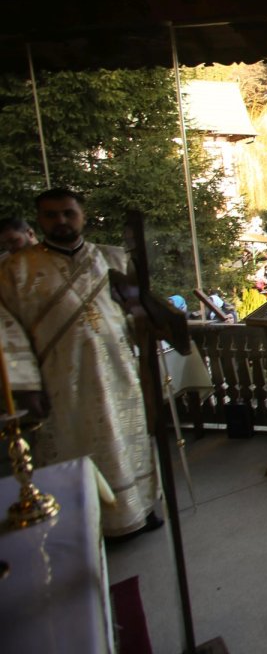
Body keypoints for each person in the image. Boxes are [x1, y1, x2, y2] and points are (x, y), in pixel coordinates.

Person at [0, 188, 161, 538]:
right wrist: (25, 386)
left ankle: (137, 509)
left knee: (127, 438)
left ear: (82, 216)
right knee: (76, 447)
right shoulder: (16, 269)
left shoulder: (113, 259)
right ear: (39, 220)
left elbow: (137, 314)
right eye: (51, 215)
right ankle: (87, 524)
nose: (60, 221)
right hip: (60, 379)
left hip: (117, 370)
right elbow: (6, 330)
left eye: (68, 213)